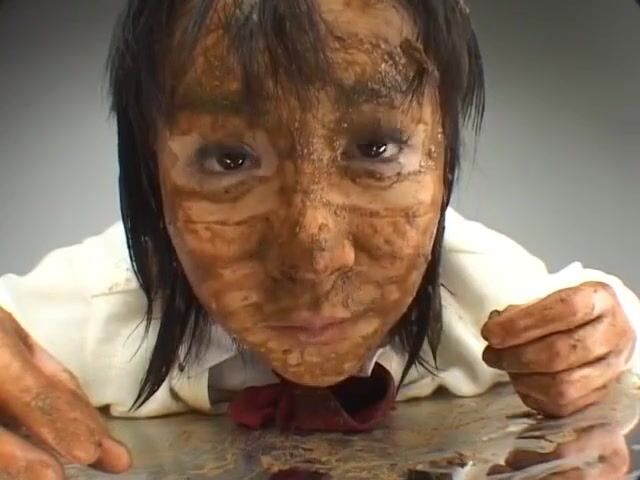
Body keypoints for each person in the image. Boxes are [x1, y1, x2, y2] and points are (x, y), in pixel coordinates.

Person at [0, 0, 638, 478]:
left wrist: (601, 340)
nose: (316, 256)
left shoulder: (485, 294)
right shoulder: (71, 323)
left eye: (376, 148)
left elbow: (604, 326)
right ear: (150, 174)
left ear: (445, 159)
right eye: (229, 160)